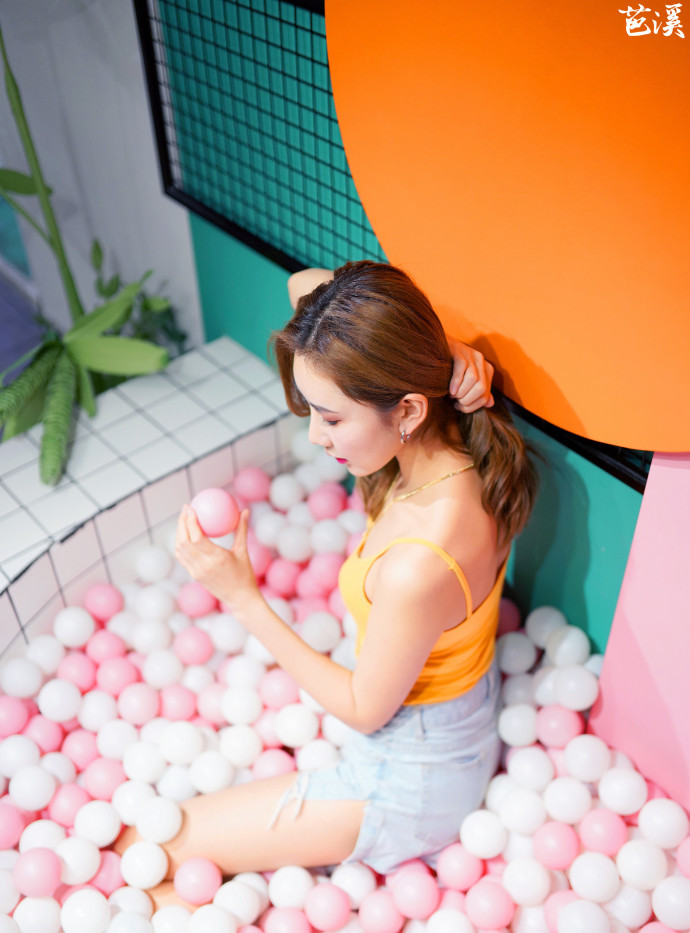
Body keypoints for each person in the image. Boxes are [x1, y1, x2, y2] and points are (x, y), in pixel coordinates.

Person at [117, 261, 537, 893]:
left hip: (410, 774)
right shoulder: (450, 441)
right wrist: (445, 354)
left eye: (332, 418)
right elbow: (304, 287)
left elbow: (365, 712)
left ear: (407, 409)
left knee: (149, 851)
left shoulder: (419, 562)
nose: (315, 435)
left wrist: (243, 598)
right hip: (447, 711)